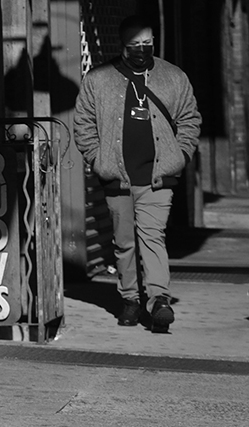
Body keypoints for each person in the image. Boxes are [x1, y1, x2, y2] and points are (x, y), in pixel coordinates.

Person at [73, 15, 201, 333]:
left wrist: (181, 155)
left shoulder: (173, 77)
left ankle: (158, 300)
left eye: (148, 44)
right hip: (116, 175)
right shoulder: (98, 80)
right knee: (124, 242)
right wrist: (96, 157)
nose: (142, 51)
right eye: (135, 46)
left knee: (153, 237)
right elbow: (83, 123)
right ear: (122, 46)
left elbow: (190, 118)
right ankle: (130, 298)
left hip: (159, 175)